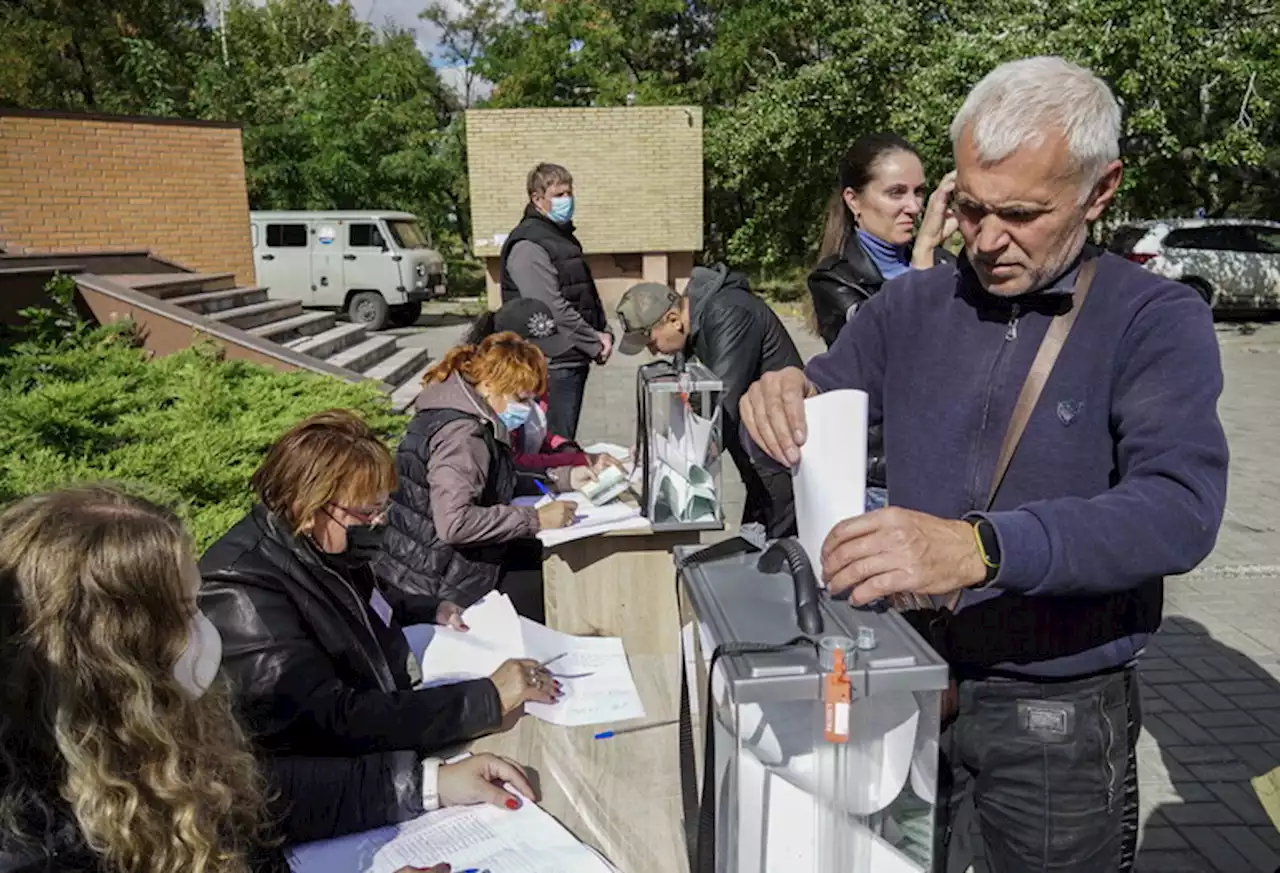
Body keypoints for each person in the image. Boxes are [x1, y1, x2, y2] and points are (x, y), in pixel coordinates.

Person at [739, 56, 1228, 872]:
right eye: (968, 206)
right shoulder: (910, 305)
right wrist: (774, 399)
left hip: (1056, 723)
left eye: (1023, 213)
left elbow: (1179, 510)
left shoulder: (1156, 320)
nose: (987, 238)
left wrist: (983, 547)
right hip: (901, 686)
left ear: (1100, 191)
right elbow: (811, 413)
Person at [0, 485, 526, 873]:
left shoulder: (139, 733)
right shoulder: (36, 845)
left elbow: (244, 792)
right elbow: (331, 717)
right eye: (185, 611)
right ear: (111, 654)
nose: (206, 628)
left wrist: (427, 783)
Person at [200, 413, 557, 844]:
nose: (379, 523)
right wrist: (485, 698)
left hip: (390, 729)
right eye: (366, 512)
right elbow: (329, 720)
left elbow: (370, 597)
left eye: (381, 507)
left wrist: (426, 606)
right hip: (336, 794)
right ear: (311, 507)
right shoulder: (242, 590)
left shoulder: (320, 546)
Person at [807, 133, 958, 509]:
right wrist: (923, 256)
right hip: (883, 479)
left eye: (919, 192)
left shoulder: (945, 266)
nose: (913, 207)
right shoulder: (836, 280)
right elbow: (890, 357)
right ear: (854, 201)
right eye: (896, 193)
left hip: (948, 465)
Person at [378, 333, 576, 619]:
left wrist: (561, 477)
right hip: (437, 582)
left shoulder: (462, 414)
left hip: (431, 567)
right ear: (490, 385)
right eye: (520, 397)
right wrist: (535, 519)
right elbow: (455, 523)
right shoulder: (462, 435)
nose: (525, 408)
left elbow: (494, 480)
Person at [615, 265, 803, 536]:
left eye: (650, 342)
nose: (651, 351)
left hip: (782, 452)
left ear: (673, 319)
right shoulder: (693, 328)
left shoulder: (729, 313)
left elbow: (720, 404)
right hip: (758, 452)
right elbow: (687, 400)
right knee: (755, 545)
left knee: (777, 552)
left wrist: (678, 465)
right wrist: (654, 447)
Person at [498, 162, 612, 440]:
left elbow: (585, 293)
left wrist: (604, 330)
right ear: (537, 199)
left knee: (563, 439)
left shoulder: (561, 238)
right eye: (559, 195)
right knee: (553, 443)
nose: (567, 200)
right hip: (552, 359)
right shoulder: (529, 244)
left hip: (571, 356)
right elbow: (551, 307)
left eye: (569, 193)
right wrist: (593, 341)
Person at [463, 297, 625, 489]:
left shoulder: (529, 382)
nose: (543, 362)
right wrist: (571, 464)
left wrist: (565, 448)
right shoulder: (482, 405)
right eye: (534, 354)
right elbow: (513, 460)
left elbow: (534, 431)